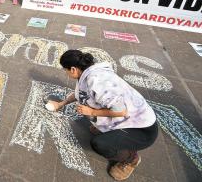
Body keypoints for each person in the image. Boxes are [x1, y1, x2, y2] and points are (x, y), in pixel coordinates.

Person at [47, 50, 158, 181]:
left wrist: (92, 112)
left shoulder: (97, 81)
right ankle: (109, 131)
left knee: (100, 144)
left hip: (142, 131)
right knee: (93, 120)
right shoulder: (87, 73)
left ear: (72, 69)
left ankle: (131, 158)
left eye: (65, 70)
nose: (66, 73)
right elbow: (81, 94)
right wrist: (61, 104)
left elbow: (120, 111)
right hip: (131, 119)